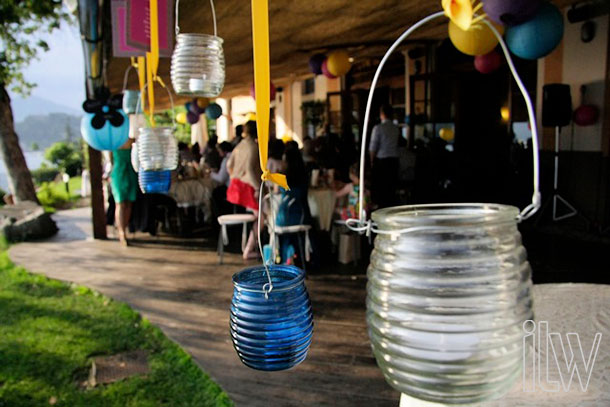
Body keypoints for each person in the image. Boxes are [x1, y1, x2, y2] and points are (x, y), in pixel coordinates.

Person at [227, 121, 262, 259]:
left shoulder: (239, 145)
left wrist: (233, 176)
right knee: (261, 218)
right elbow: (249, 169)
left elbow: (229, 164)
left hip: (236, 185)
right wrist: (258, 187)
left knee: (258, 217)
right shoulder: (254, 146)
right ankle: (249, 249)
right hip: (248, 186)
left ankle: (250, 247)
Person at [369, 104, 400, 208]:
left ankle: (381, 209)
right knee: (391, 189)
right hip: (394, 161)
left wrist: (371, 162)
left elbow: (373, 147)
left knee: (381, 189)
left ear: (382, 114)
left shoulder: (378, 128)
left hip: (382, 162)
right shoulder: (396, 128)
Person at [110, 138, 138, 246]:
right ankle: (122, 232)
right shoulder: (113, 141)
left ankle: (124, 227)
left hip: (131, 172)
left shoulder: (132, 138)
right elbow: (110, 160)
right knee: (120, 203)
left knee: (129, 203)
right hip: (118, 173)